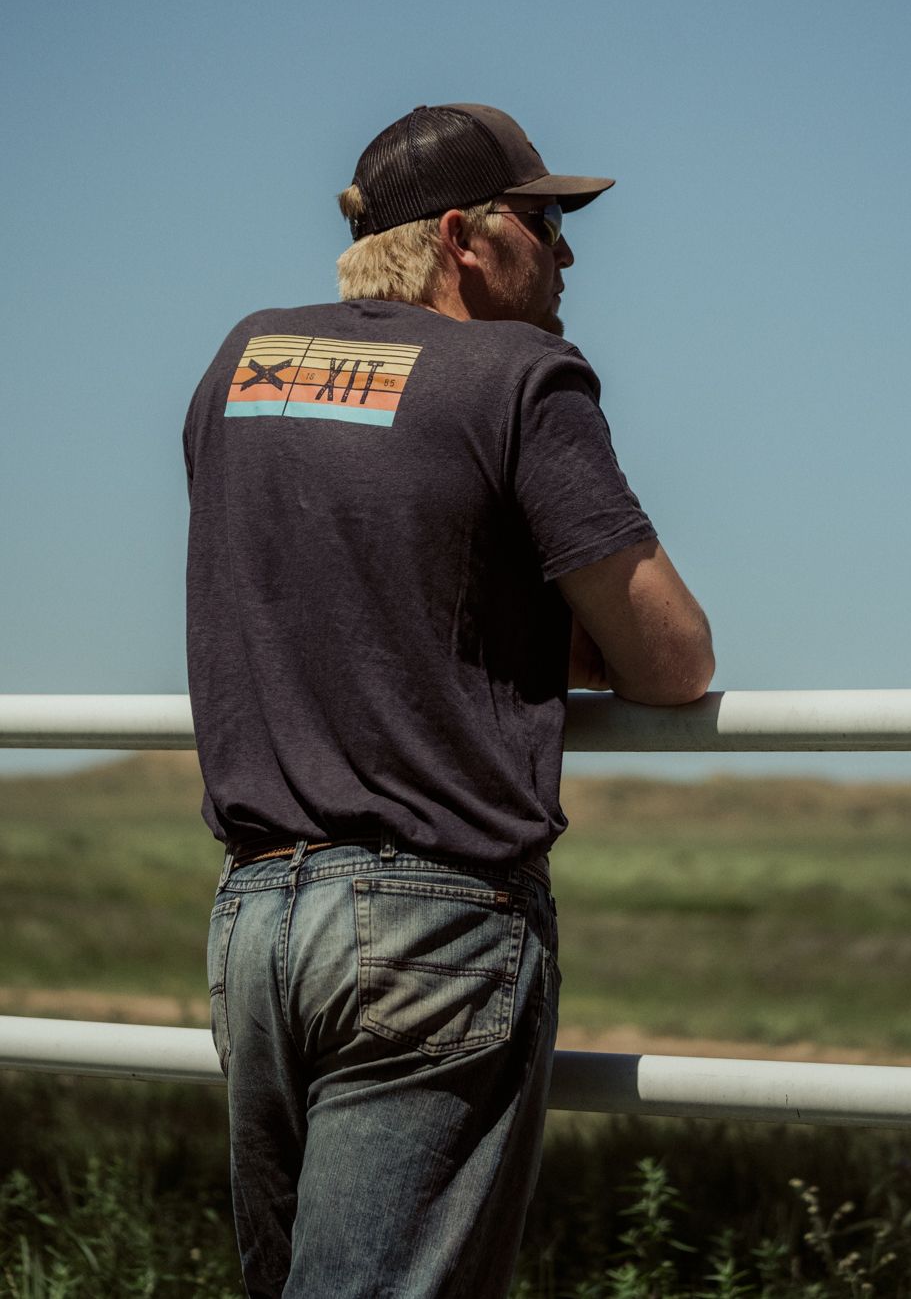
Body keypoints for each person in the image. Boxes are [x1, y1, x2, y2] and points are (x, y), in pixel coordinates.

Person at [184, 102, 713, 1299]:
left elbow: (325, 584)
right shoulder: (522, 375)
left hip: (255, 919)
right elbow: (672, 657)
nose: (567, 255)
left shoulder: (244, 362)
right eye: (546, 223)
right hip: (432, 926)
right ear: (466, 238)